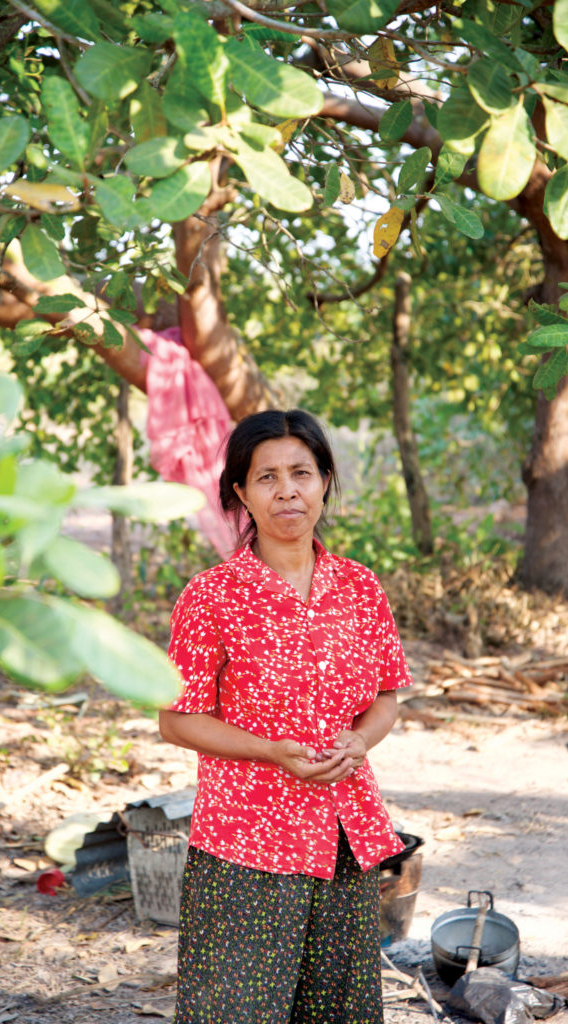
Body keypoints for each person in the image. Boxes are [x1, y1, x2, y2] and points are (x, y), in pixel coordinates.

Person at [159, 409, 413, 1024]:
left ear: (324, 481)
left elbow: (385, 697)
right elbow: (177, 721)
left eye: (301, 473)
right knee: (237, 1011)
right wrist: (271, 751)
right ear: (241, 493)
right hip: (247, 844)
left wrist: (360, 741)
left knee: (337, 1010)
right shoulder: (211, 595)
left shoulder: (360, 588)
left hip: (345, 835)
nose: (287, 491)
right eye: (266, 477)